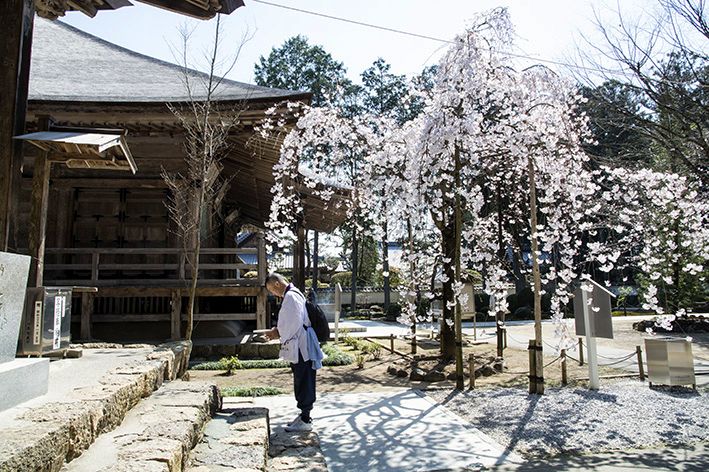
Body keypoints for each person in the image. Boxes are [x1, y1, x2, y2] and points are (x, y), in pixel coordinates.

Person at [264, 272, 324, 432]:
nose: (273, 293)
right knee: (303, 378)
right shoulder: (294, 294)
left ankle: (305, 419)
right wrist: (278, 330)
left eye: (271, 290)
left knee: (303, 378)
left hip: (301, 346)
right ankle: (304, 415)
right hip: (302, 343)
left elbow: (292, 324)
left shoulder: (291, 296)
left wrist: (277, 332)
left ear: (276, 283)